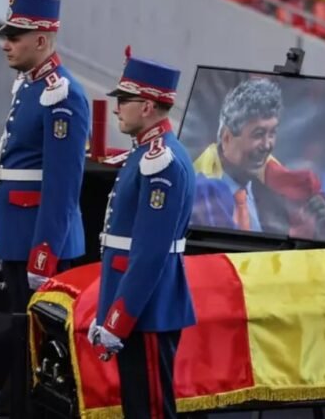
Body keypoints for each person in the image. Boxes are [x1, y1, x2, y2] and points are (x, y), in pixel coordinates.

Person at [0, 0, 89, 416]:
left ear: (42, 41)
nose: (5, 43)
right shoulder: (29, 87)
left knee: (41, 345)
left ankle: (16, 411)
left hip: (39, 241)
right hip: (16, 234)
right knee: (21, 337)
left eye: (15, 36)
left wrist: (43, 252)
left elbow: (62, 187)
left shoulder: (61, 95)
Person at [89, 48, 196, 418]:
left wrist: (119, 317)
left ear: (148, 106)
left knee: (150, 410)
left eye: (124, 99)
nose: (116, 107)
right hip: (134, 304)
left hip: (146, 308)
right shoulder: (146, 153)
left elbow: (149, 253)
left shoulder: (160, 161)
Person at [192, 77, 325, 240]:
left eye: (272, 133)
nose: (267, 145)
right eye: (258, 134)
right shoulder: (198, 194)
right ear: (226, 138)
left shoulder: (273, 198)